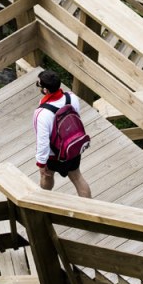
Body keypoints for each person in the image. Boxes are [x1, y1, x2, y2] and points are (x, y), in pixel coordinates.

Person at [31, 70, 93, 199]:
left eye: (39, 85)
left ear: (45, 90)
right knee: (77, 178)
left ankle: (43, 203)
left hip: (55, 156)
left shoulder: (42, 113)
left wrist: (41, 164)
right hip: (73, 148)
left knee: (46, 177)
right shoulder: (72, 97)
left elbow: (42, 142)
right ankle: (89, 211)